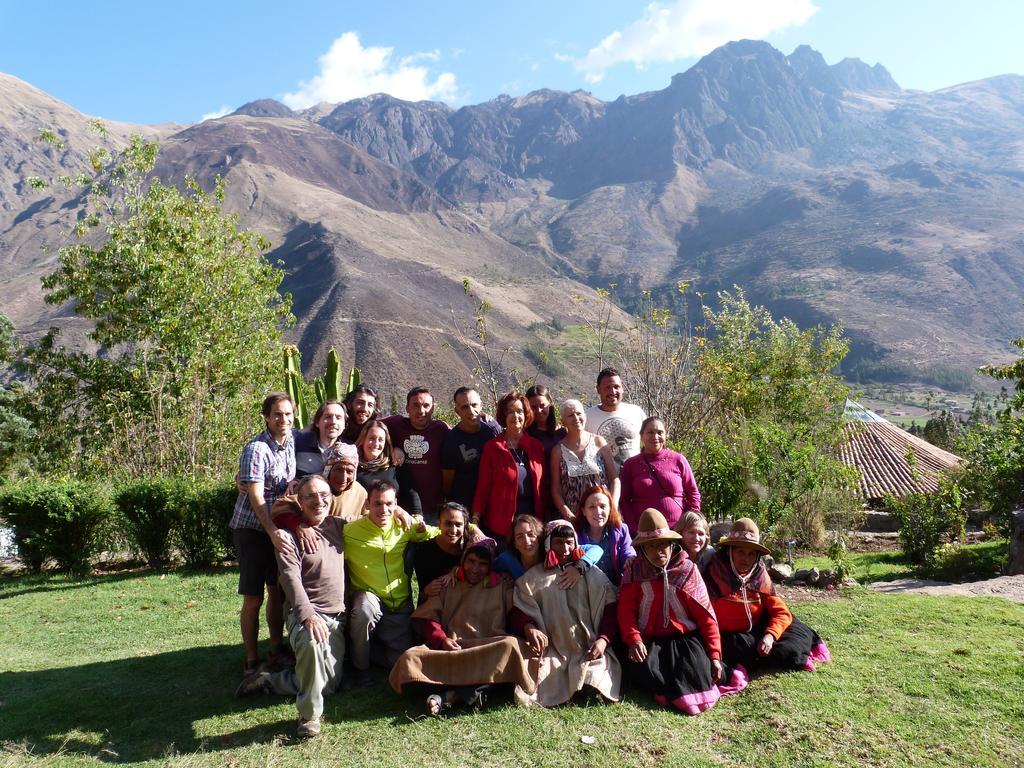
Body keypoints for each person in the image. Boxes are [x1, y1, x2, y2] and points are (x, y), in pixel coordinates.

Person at [235, 475, 346, 739]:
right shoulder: (287, 537)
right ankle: (309, 716)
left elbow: (376, 516)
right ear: (299, 501)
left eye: (323, 495)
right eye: (310, 496)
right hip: (305, 614)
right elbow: (289, 577)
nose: (318, 501)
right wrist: (307, 615)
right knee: (310, 642)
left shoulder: (339, 525)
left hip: (337, 616)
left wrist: (400, 511)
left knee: (328, 685)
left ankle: (270, 681)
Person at [389, 539, 535, 716]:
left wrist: (528, 626)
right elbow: (429, 617)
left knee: (510, 646)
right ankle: (480, 687)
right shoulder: (447, 583)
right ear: (463, 561)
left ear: (490, 566)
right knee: (410, 658)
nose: (475, 568)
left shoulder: (502, 584)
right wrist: (442, 640)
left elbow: (515, 613)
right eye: (471, 561)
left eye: (482, 564)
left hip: (488, 647)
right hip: (453, 649)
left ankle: (451, 695)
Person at [618, 508, 739, 716]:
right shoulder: (635, 571)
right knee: (640, 668)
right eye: (652, 546)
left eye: (663, 544)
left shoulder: (687, 570)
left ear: (672, 543)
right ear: (643, 549)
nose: (659, 552)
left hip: (684, 640)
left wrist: (715, 656)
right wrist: (634, 639)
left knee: (695, 672)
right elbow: (626, 611)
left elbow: (706, 616)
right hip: (649, 640)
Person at [704, 518, 832, 680]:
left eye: (751, 554)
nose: (746, 559)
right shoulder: (714, 574)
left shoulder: (759, 575)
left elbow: (781, 612)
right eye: (740, 552)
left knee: (792, 645)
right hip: (730, 636)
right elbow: (706, 618)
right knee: (742, 652)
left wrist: (770, 636)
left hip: (760, 626)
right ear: (730, 551)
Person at [512, 520, 621, 707]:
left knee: (595, 677)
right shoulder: (532, 579)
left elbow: (611, 609)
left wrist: (603, 640)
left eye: (569, 542)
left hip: (589, 649)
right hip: (554, 651)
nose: (564, 548)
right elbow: (518, 611)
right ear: (548, 544)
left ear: (576, 543)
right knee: (545, 681)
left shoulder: (593, 574)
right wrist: (529, 627)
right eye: (558, 542)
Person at [344, 480, 439, 686]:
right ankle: (361, 670)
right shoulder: (350, 530)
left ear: (396, 504)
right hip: (369, 596)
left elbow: (439, 532)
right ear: (368, 504)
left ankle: (369, 651)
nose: (383, 509)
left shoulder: (404, 525)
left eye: (388, 504)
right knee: (364, 611)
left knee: (399, 662)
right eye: (377, 503)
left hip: (399, 602)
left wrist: (473, 529)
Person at [229, 392, 296, 674]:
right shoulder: (256, 449)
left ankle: (275, 650)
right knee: (253, 596)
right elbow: (257, 500)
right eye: (277, 414)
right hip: (254, 530)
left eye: (288, 414)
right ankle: (251, 659)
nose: (283, 419)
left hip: (276, 529)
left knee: (276, 591)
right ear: (266, 417)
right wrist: (271, 531)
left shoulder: (289, 442)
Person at [471, 391, 546, 540]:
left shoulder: (536, 446)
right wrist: (475, 520)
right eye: (510, 412)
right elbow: (483, 487)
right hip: (501, 528)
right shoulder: (492, 448)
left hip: (533, 526)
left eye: (519, 411)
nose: (515, 416)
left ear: (526, 415)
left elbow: (543, 487)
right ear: (503, 416)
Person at [619, 417, 701, 534]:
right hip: (645, 534)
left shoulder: (678, 460)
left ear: (665, 435)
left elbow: (693, 493)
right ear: (641, 435)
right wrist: (634, 529)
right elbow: (624, 500)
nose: (655, 437)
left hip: (678, 530)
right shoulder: (631, 464)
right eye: (650, 432)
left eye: (660, 432)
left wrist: (691, 523)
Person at [384, 387, 451, 523]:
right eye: (416, 405)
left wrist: (482, 418)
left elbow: (464, 432)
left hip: (434, 508)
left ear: (433, 408)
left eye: (426, 406)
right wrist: (392, 447)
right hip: (402, 509)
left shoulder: (441, 429)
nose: (421, 411)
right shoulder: (395, 424)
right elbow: (370, 425)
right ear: (407, 408)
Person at [551, 398, 619, 521]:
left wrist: (612, 507)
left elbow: (614, 479)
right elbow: (556, 489)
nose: (576, 418)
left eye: (578, 413)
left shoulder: (599, 442)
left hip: (602, 516)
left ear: (585, 416)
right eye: (570, 416)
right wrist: (567, 513)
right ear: (563, 422)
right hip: (575, 518)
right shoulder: (558, 451)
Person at [492, 513, 603, 580]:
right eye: (520, 537)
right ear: (514, 543)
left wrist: (579, 568)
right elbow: (488, 569)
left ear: (539, 537)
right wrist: (499, 577)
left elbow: (596, 549)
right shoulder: (508, 560)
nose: (526, 541)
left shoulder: (551, 551)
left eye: (531, 535)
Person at [441, 387, 501, 508]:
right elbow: (447, 480)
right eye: (465, 407)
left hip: (492, 502)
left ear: (481, 406)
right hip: (465, 505)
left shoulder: (493, 430)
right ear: (457, 411)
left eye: (474, 405)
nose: (471, 411)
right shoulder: (452, 441)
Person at [413, 502, 482, 605]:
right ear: (439, 524)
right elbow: (420, 596)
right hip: (432, 610)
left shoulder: (469, 550)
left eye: (458, 524)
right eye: (448, 524)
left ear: (465, 527)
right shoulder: (423, 551)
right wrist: (427, 591)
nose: (453, 530)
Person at [355, 418, 422, 516]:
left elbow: (410, 491)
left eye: (381, 440)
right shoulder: (353, 466)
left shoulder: (394, 463)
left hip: (392, 520)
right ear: (363, 439)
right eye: (371, 438)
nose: (376, 444)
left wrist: (418, 514)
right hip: (361, 521)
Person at [584, 367, 647, 472]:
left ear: (622, 388)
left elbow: (651, 443)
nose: (612, 391)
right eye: (607, 387)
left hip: (636, 479)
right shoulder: (587, 417)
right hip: (604, 483)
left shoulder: (636, 412)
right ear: (598, 389)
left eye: (616, 387)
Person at [574, 485, 634, 587]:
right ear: (584, 511)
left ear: (610, 509)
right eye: (592, 507)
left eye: (602, 506)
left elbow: (628, 551)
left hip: (617, 588)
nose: (598, 512)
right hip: (589, 592)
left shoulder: (621, 529)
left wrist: (630, 559)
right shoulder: (575, 535)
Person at [294, 400, 347, 477]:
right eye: (328, 417)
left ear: (344, 425)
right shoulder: (299, 443)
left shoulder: (348, 450)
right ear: (317, 422)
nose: (333, 422)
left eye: (339, 418)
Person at [525, 384, 567, 464]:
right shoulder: (526, 435)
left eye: (542, 405)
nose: (539, 410)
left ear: (550, 404)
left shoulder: (562, 432)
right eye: (533, 407)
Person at [676, 511, 715, 575]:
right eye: (691, 532)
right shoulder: (672, 556)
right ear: (680, 533)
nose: (696, 538)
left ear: (706, 536)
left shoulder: (710, 554)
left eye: (701, 534)